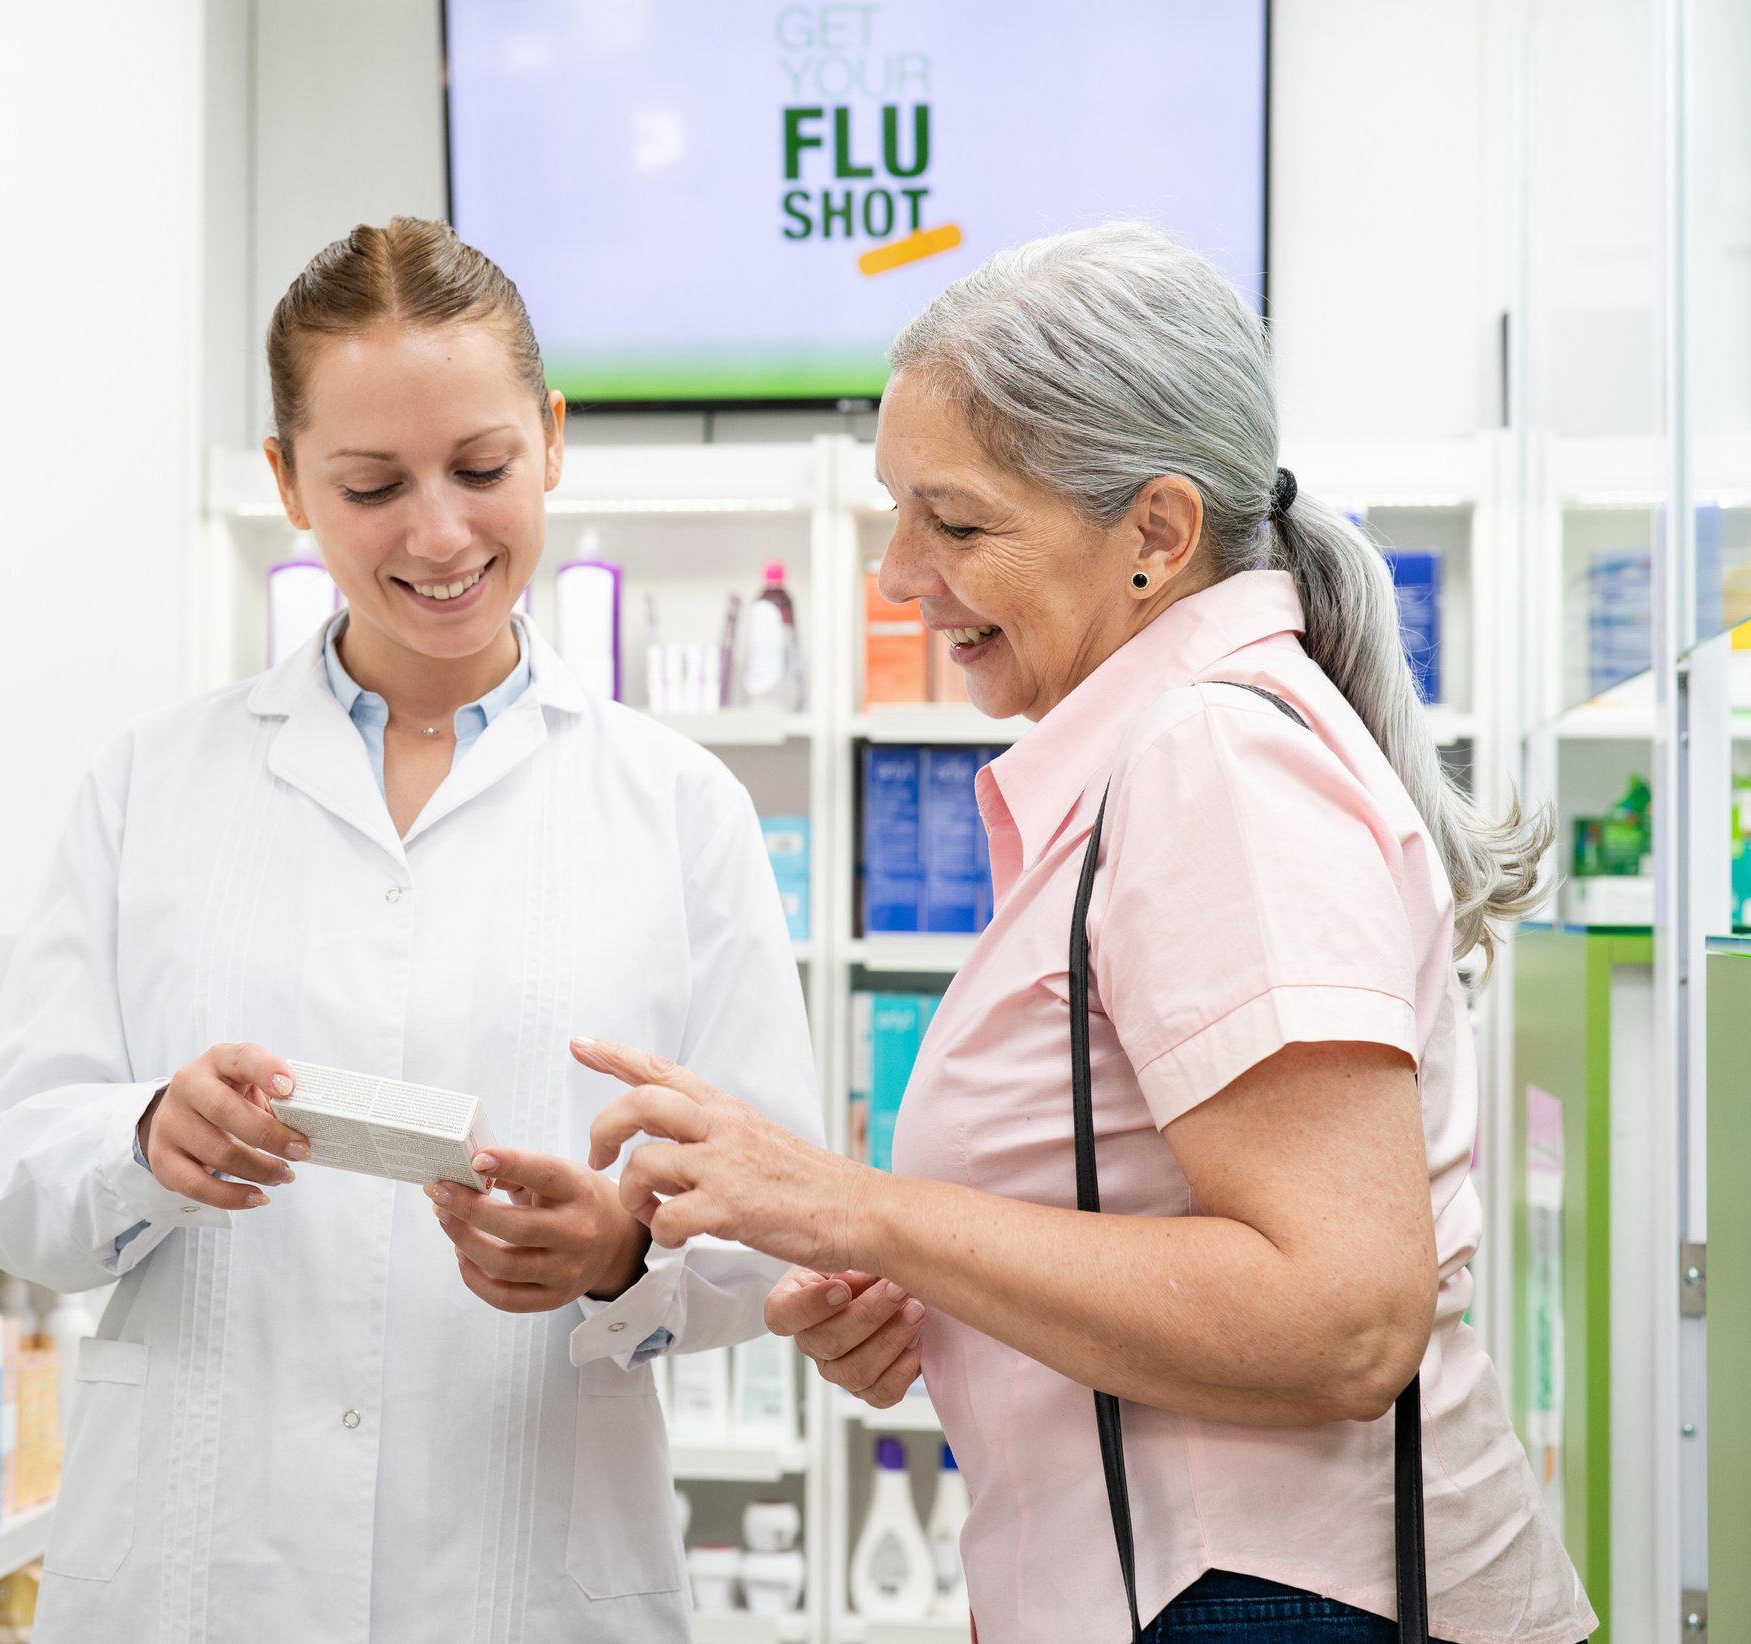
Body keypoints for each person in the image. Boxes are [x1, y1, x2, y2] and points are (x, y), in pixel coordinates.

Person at [571, 224, 1596, 1644]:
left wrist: (848, 1206)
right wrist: (938, 1289)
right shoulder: (1161, 753)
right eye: (895, 513)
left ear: (1158, 537)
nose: (896, 574)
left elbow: (1343, 1317)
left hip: (1268, 1600)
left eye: (960, 522)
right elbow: (1163, 1225)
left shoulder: (1215, 765)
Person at [0, 216, 820, 1643]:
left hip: (528, 1577)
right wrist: (145, 1141)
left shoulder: (680, 810)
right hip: (202, 1572)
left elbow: (776, 1231)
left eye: (482, 468)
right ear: (290, 482)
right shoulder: (152, 784)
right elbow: (3, 1174)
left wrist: (618, 1255)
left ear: (551, 441)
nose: (438, 533)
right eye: (371, 484)